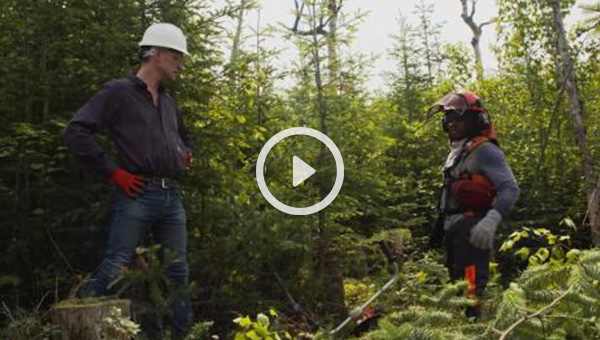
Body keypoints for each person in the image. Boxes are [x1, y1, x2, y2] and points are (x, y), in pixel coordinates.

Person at [64, 22, 194, 337]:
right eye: (176, 56)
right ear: (158, 53)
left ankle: (184, 335)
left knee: (178, 272)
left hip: (171, 198)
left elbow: (184, 138)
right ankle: (71, 326)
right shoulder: (118, 92)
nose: (181, 64)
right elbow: (76, 132)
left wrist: (185, 153)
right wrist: (114, 172)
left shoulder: (167, 101)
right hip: (137, 193)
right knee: (116, 265)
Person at [428, 91, 519, 317]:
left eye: (459, 118)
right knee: (457, 285)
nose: (452, 123)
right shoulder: (458, 153)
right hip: (453, 228)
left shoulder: (485, 150)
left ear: (474, 120)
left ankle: (476, 329)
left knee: (471, 288)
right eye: (448, 119)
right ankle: (462, 329)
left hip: (473, 228)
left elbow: (510, 188)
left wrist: (492, 219)